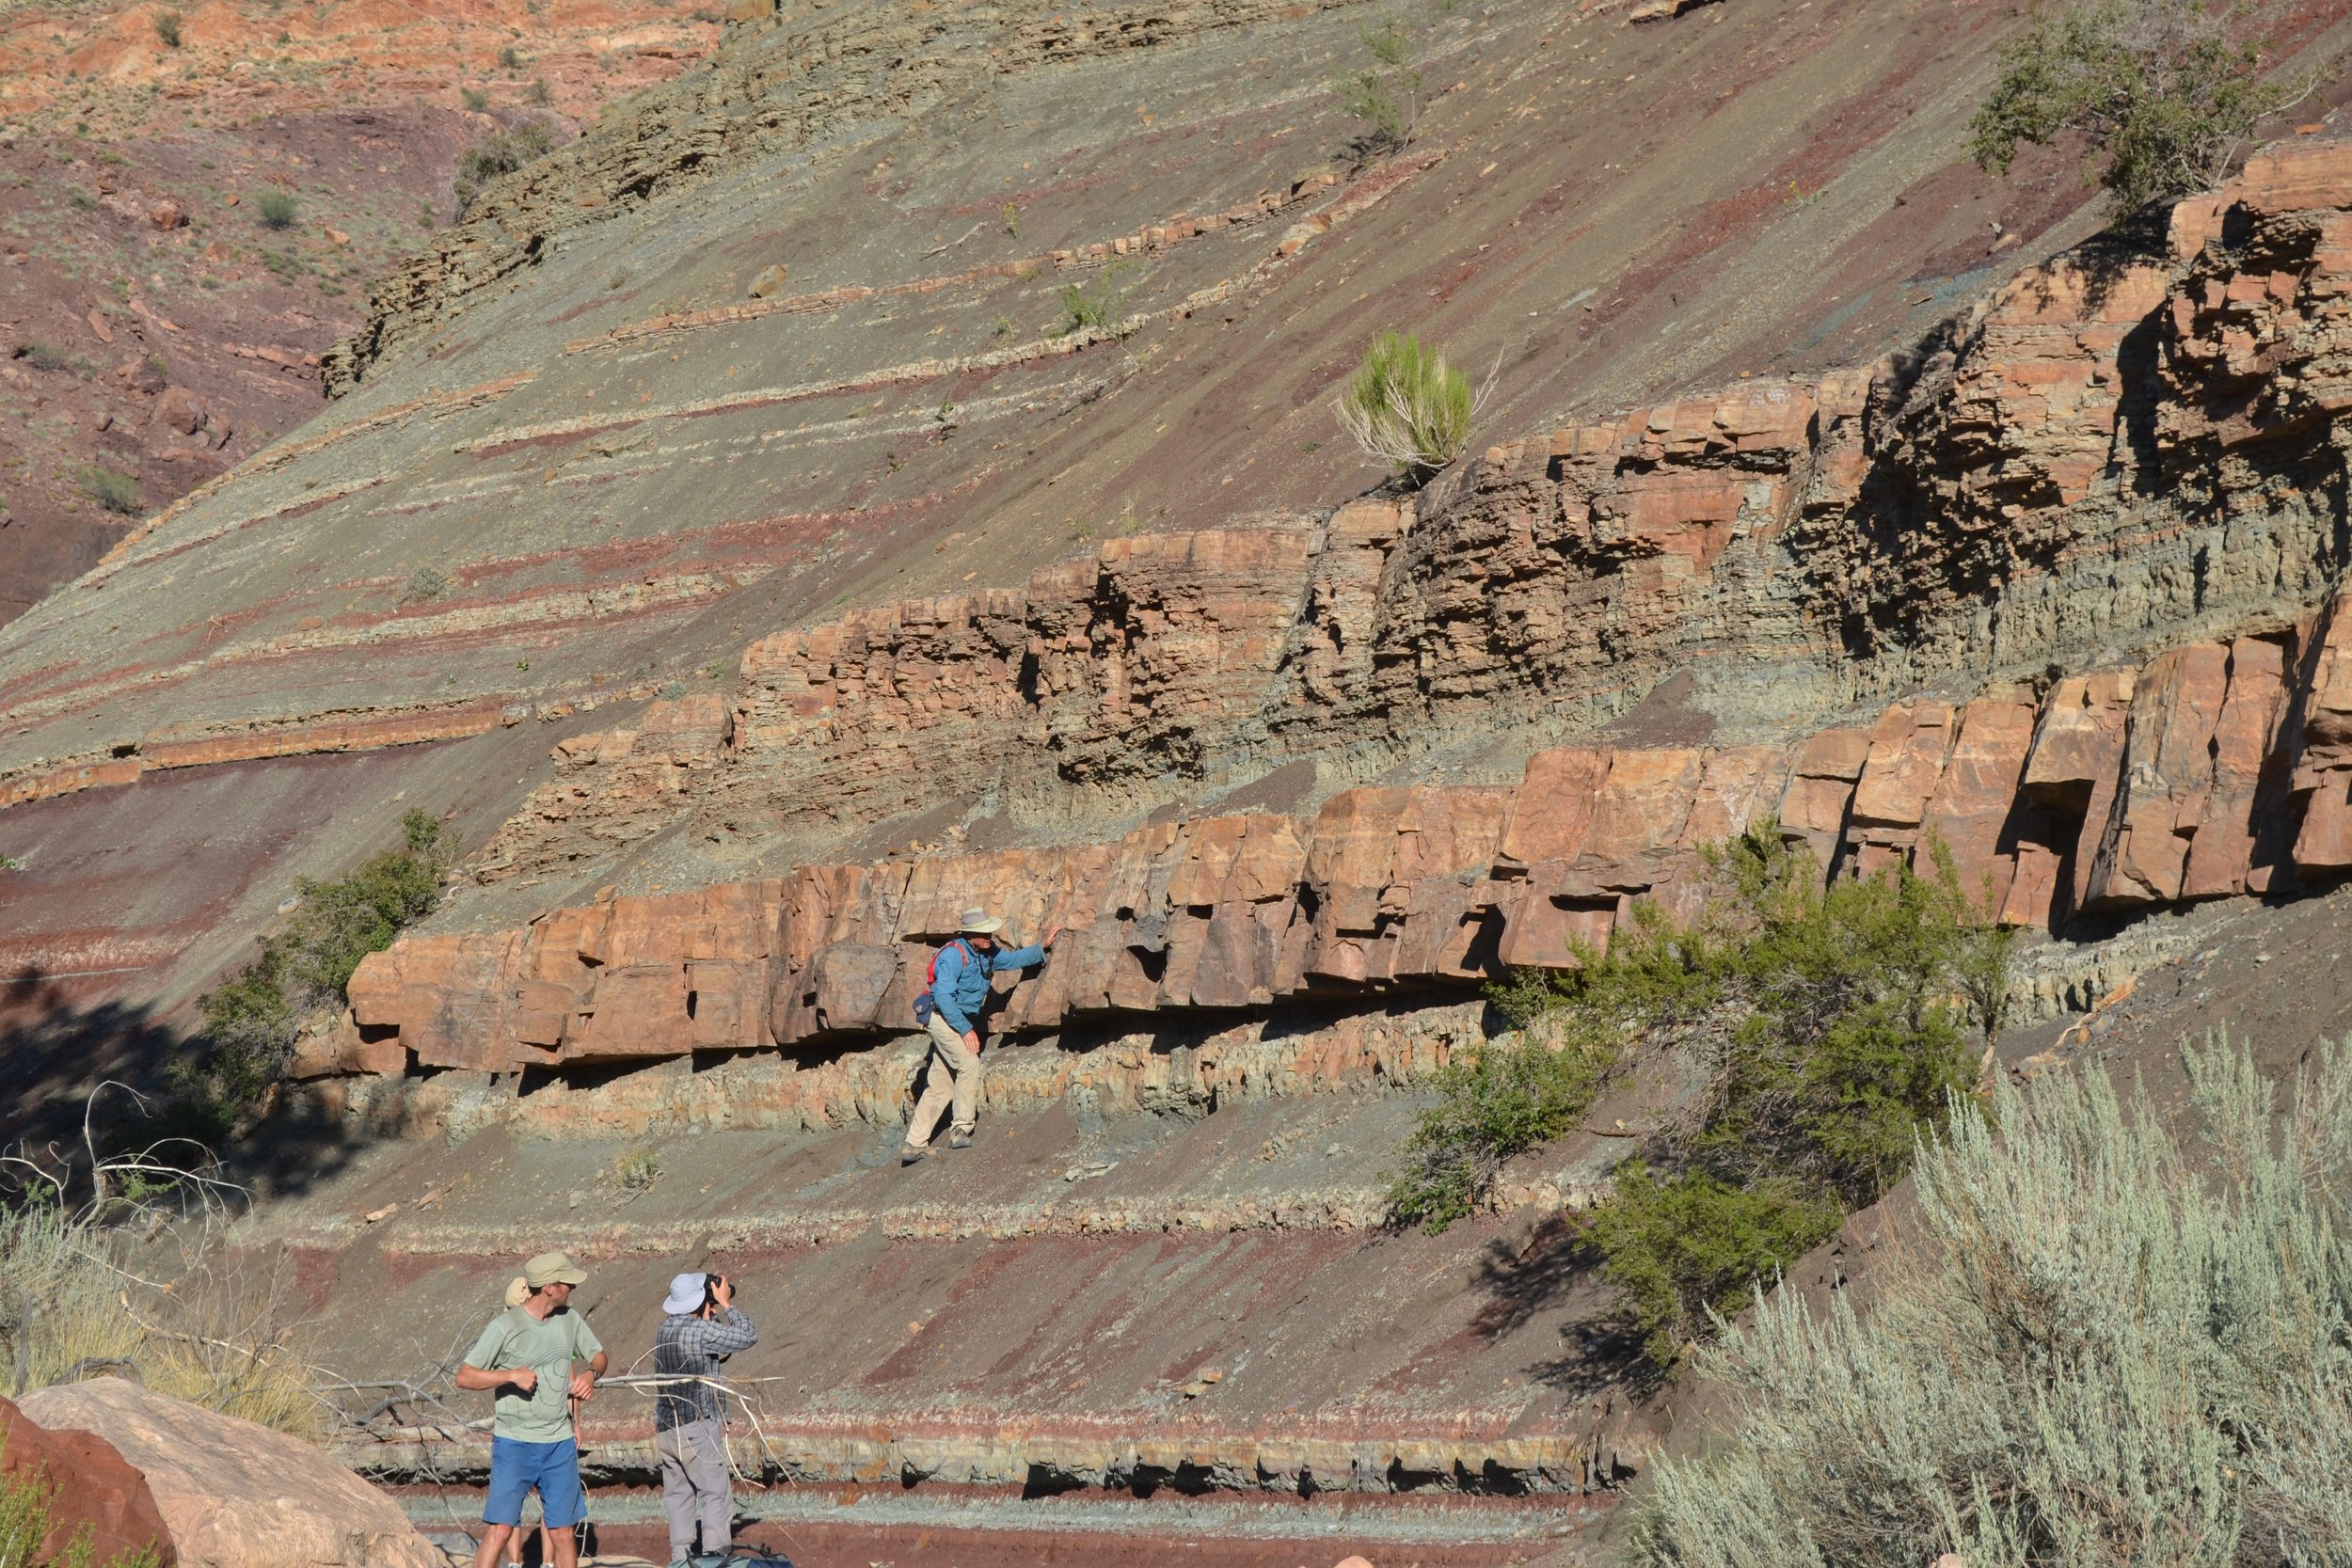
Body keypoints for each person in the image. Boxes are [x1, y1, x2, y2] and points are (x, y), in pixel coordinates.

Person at [455, 1251, 609, 1568]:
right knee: (500, 1529)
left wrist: (590, 1374)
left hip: (559, 1444)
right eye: (567, 1283)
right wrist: (510, 1375)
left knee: (564, 1533)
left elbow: (599, 1356)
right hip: (514, 1443)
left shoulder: (570, 1319)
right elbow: (465, 1376)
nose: (573, 1289)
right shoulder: (505, 1326)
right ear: (549, 1287)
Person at [900, 906, 1058, 1165]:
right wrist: (965, 1030)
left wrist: (1041, 946)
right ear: (969, 934)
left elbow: (1011, 961)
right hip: (942, 1018)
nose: (990, 936)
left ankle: (913, 1144)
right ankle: (961, 1128)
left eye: (990, 931)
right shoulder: (952, 955)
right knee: (969, 1064)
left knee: (941, 1083)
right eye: (984, 933)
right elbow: (942, 998)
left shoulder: (986, 951)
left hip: (956, 1019)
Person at [651, 1272, 758, 1567]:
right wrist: (725, 1304)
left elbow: (715, 1351)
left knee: (680, 1497)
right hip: (697, 1425)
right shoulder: (699, 1332)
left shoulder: (664, 1328)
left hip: (666, 1427)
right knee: (715, 1493)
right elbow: (747, 1335)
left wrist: (707, 1312)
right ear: (701, 1299)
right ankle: (715, 1558)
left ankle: (680, 1560)